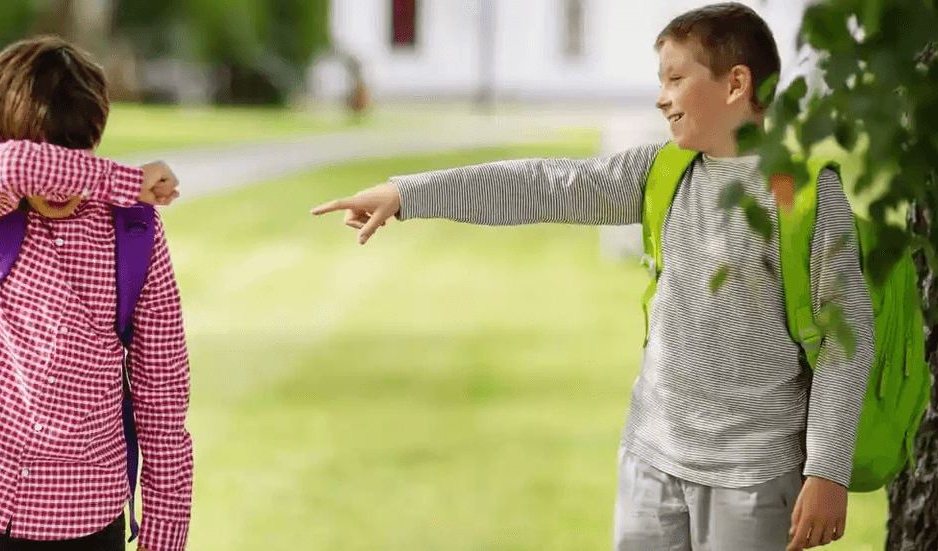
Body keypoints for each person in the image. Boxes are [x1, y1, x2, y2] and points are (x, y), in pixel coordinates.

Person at [310, 4, 870, 550]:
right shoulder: (660, 172)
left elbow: (849, 340)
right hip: (651, 461)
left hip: (751, 476)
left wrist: (826, 472)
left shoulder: (806, 196)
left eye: (676, 78)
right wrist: (408, 194)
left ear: (735, 84)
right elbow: (543, 183)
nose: (661, 96)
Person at [0, 36, 194, 551]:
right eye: (50, 150)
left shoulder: (133, 233)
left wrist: (164, 538)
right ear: (0, 133)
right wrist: (125, 178)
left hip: (83, 520)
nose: (62, 186)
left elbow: (162, 396)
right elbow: (15, 165)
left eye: (77, 147)